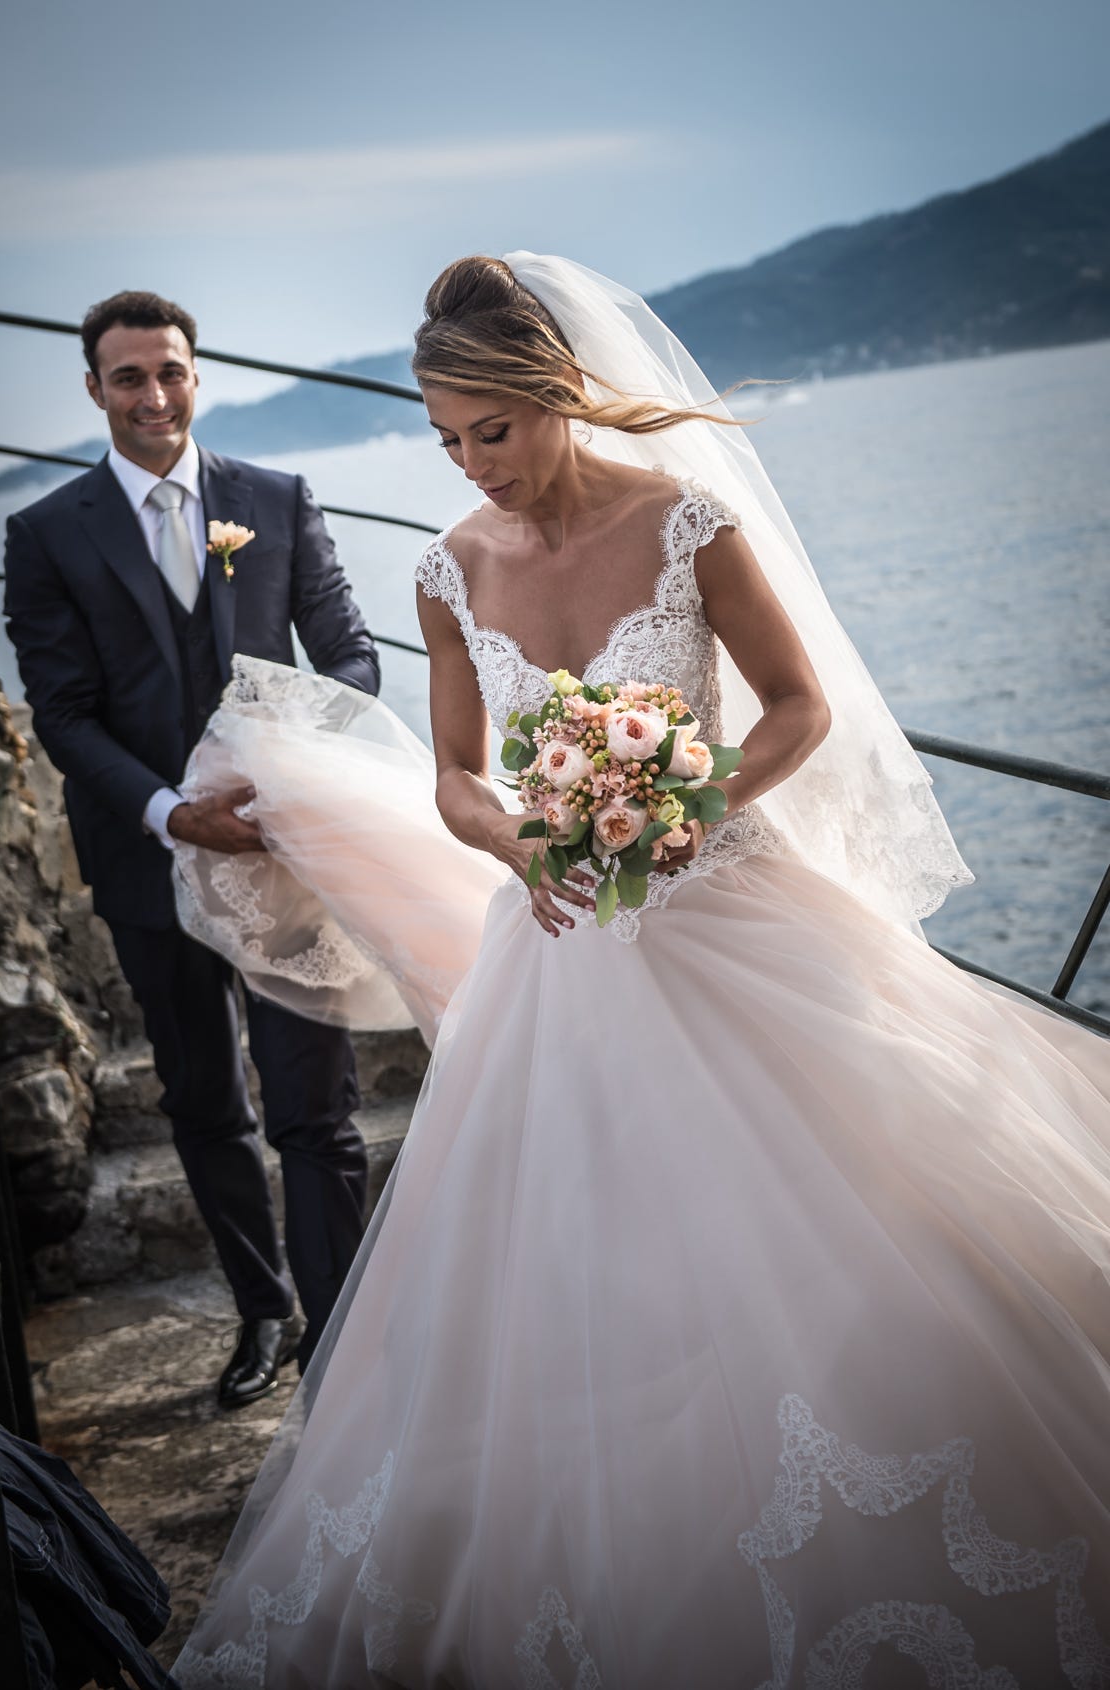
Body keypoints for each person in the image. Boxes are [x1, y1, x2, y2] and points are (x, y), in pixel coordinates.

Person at [174, 255, 1110, 1687]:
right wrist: (523, 845)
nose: (472, 465)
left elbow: (799, 705)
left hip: (737, 916)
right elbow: (456, 776)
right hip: (556, 949)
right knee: (579, 1253)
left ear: (556, 395)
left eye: (494, 428)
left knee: (846, 1216)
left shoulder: (690, 524)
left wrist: (698, 803)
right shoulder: (448, 567)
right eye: (444, 439)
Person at [3, 291, 380, 1405]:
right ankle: (264, 1313)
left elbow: (350, 660)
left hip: (283, 856)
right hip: (147, 865)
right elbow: (63, 715)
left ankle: (346, 1331)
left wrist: (284, 772)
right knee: (206, 1100)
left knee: (319, 1108)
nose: (153, 396)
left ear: (195, 374)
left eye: (169, 371)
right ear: (94, 389)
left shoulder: (276, 498)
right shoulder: (45, 535)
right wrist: (173, 812)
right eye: (129, 377)